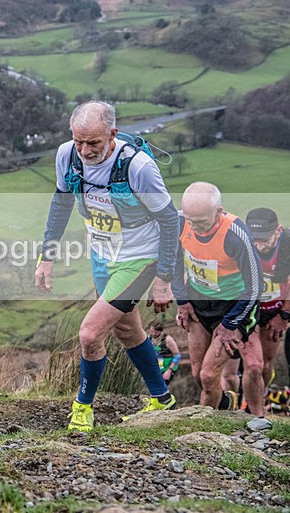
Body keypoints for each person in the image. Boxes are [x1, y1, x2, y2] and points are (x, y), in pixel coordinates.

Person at [35, 101, 179, 431]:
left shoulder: (137, 166)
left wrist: (163, 278)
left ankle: (83, 408)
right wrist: (47, 256)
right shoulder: (65, 155)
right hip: (102, 255)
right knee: (127, 329)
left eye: (94, 143)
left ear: (112, 134)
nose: (85, 150)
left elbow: (170, 221)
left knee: (89, 333)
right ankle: (162, 398)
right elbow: (60, 204)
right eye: (78, 141)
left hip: (140, 258)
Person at [172, 182, 265, 417]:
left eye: (201, 221)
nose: (194, 227)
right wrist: (182, 301)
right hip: (198, 303)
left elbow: (256, 287)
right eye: (190, 219)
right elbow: (172, 263)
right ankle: (225, 407)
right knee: (197, 374)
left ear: (219, 211)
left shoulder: (236, 236)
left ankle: (202, 431)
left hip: (233, 307)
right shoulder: (180, 222)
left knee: (208, 375)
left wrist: (231, 324)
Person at [221, 207, 290, 410]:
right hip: (247, 309)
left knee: (266, 365)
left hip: (275, 312)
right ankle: (249, 409)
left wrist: (284, 316)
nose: (259, 246)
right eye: (255, 240)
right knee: (252, 365)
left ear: (277, 231)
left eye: (265, 240)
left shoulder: (287, 244)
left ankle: (257, 400)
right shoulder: (239, 242)